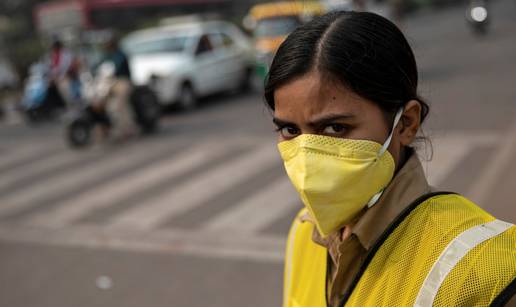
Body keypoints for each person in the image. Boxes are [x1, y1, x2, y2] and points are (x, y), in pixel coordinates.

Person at [264, 11, 515, 307]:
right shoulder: (304, 232)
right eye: (290, 130)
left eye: (335, 128)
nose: (307, 156)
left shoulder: (488, 265)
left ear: (406, 124)